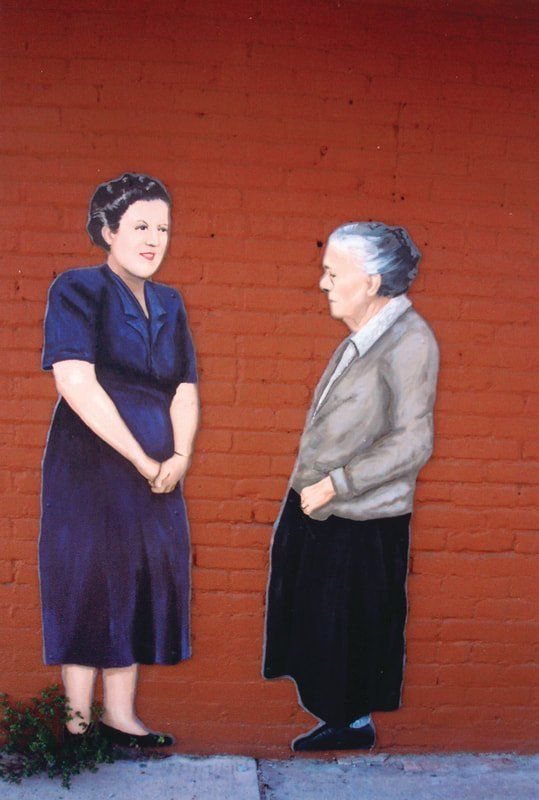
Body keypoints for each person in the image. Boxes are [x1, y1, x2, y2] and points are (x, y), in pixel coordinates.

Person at [263, 221, 439, 751]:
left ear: (371, 281)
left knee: (349, 624)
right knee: (313, 619)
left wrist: (338, 483)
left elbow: (414, 441)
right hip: (322, 508)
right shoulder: (362, 340)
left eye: (333, 272)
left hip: (361, 519)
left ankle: (351, 722)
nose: (323, 283)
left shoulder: (410, 341)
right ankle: (340, 716)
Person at [39, 173, 199, 747]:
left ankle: (121, 717)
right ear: (107, 231)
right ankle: (78, 723)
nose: (154, 239)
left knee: (141, 580)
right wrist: (140, 456)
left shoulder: (170, 302)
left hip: (158, 472)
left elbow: (184, 386)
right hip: (93, 464)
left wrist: (178, 454)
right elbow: (74, 381)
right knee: (88, 580)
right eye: (140, 226)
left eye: (162, 228)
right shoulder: (77, 289)